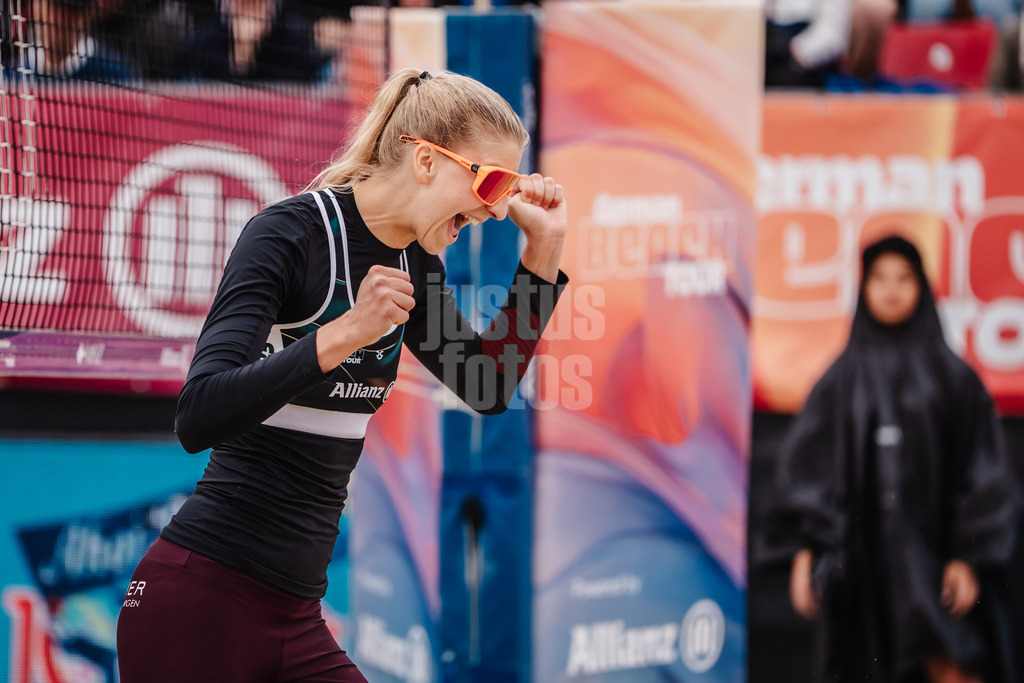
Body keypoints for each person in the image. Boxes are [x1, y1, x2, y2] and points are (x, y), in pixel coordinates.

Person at [115, 68, 567, 682]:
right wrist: (341, 336)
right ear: (426, 161)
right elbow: (198, 416)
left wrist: (542, 255)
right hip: (202, 602)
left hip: (294, 616)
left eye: (507, 189)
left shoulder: (415, 261)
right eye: (489, 182)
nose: (493, 210)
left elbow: (483, 387)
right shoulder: (289, 234)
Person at [769, 236, 1020, 682]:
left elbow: (983, 471)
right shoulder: (839, 380)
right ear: (863, 287)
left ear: (921, 287)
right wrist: (807, 549)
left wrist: (968, 555)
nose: (891, 289)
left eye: (903, 278)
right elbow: (808, 470)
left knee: (952, 657)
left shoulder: (954, 380)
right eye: (880, 278)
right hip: (861, 566)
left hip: (934, 563)